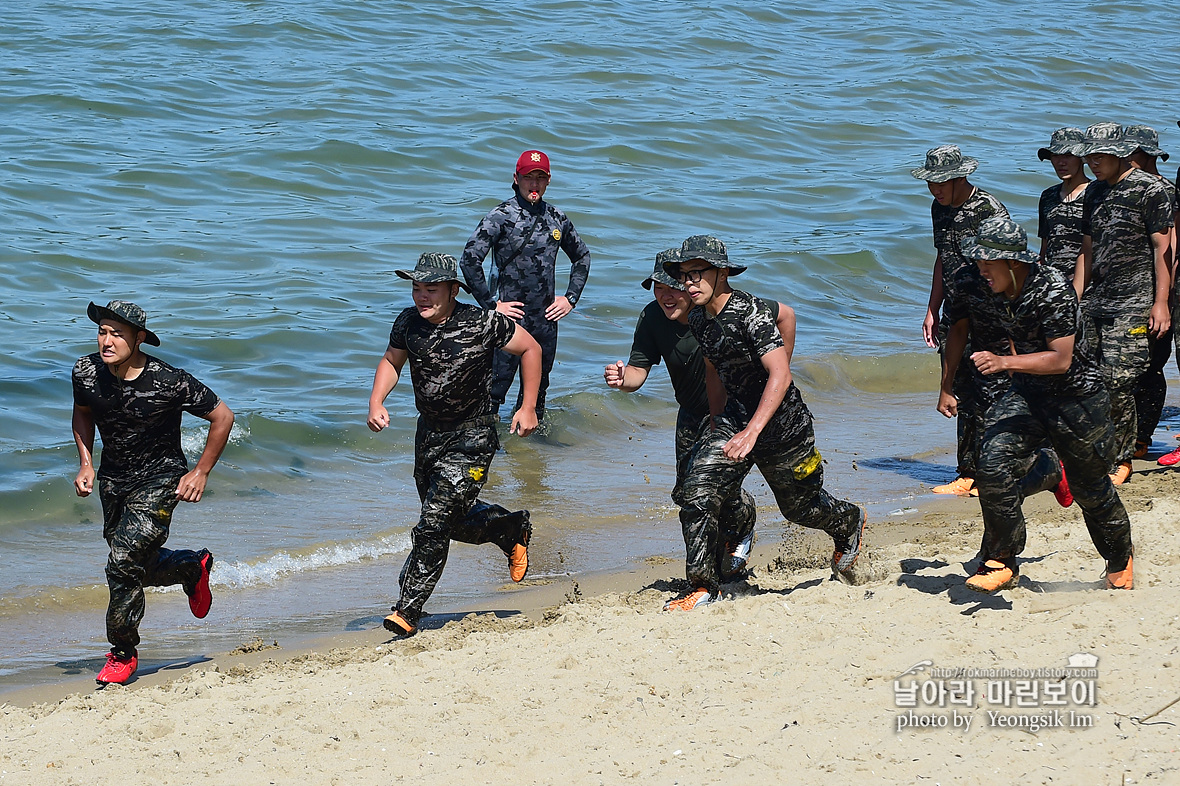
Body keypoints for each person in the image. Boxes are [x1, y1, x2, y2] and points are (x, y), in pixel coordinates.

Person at [660, 236, 866, 611]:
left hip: (784, 428)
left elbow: (780, 375)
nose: (688, 284)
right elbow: (712, 368)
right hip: (735, 419)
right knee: (696, 492)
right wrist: (717, 420)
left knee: (799, 509)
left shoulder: (751, 313)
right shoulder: (698, 318)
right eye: (683, 276)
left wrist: (753, 431)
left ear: (721, 272)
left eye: (697, 274)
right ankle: (704, 586)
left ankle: (849, 521)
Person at [368, 253, 541, 637]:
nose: (421, 297)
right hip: (428, 436)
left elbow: (531, 349)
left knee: (432, 525)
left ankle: (407, 610)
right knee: (448, 520)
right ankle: (509, 528)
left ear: (452, 290)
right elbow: (391, 362)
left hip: (473, 436)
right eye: (416, 288)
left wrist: (527, 407)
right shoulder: (407, 323)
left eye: (430, 289)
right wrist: (376, 401)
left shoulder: (483, 323)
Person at [957, 217, 1134, 592]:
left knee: (1091, 489)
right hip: (1028, 392)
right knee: (990, 462)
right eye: (979, 262)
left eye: (988, 262)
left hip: (1077, 398)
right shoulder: (992, 286)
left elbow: (1060, 359)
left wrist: (1003, 362)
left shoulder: (1053, 289)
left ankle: (1120, 559)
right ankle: (1002, 561)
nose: (981, 269)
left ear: (1014, 263)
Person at [71, 300, 232, 685]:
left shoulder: (169, 381)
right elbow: (82, 412)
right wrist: (86, 463)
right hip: (113, 481)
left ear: (139, 339)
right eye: (102, 331)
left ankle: (122, 653)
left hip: (160, 480)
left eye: (117, 334)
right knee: (133, 566)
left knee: (122, 560)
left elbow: (222, 417)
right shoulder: (86, 371)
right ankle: (192, 567)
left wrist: (201, 472)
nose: (106, 341)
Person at [604, 249, 791, 579]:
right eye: (657, 287)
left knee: (706, 489)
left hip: (733, 413)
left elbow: (785, 315)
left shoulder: (721, 311)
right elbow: (638, 371)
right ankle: (737, 531)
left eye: (673, 286)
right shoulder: (652, 318)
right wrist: (622, 380)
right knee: (686, 493)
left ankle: (717, 564)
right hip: (691, 414)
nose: (665, 295)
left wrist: (778, 367)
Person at [459, 150, 592, 420]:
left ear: (548, 180)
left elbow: (582, 256)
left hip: (545, 318)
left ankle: (532, 454)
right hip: (509, 318)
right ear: (516, 178)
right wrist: (491, 305)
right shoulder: (501, 216)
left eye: (540, 177)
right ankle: (485, 445)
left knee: (538, 390)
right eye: (528, 177)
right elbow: (469, 260)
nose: (534, 184)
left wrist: (569, 298)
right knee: (494, 389)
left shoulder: (557, 218)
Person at [912, 145, 1010, 496]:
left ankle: (992, 471)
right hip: (955, 311)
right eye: (930, 183)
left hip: (989, 313)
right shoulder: (939, 208)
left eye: (941, 182)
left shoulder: (989, 209)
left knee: (991, 391)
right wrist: (932, 307)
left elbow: (1008, 264)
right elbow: (943, 257)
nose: (935, 189)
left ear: (960, 176)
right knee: (958, 389)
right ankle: (968, 472)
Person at [1079, 122, 1174, 484]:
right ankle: (1098, 450)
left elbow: (1162, 250)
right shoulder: (1094, 192)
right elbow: (1086, 251)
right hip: (1097, 301)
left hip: (1136, 302)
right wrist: (1075, 299)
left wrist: (1160, 302)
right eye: (1089, 156)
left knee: (1119, 381)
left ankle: (1121, 459)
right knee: (1088, 381)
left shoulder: (1151, 190)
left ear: (1120, 153)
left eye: (1100, 156)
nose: (1093, 163)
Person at [1121, 126, 1177, 461]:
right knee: (1133, 365)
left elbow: (1168, 249)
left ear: (1147, 155)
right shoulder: (1126, 190)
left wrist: (1163, 300)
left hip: (1160, 291)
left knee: (1152, 365)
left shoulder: (1166, 191)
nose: (1126, 158)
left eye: (1132, 153)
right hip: (1130, 291)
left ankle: (1142, 437)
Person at [1036, 127, 1091, 297]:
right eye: (1056, 156)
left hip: (1088, 287)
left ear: (1082, 158)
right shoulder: (1048, 196)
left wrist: (1077, 293)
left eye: (1068, 156)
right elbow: (1045, 247)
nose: (1061, 162)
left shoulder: (1096, 194)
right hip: (1052, 286)